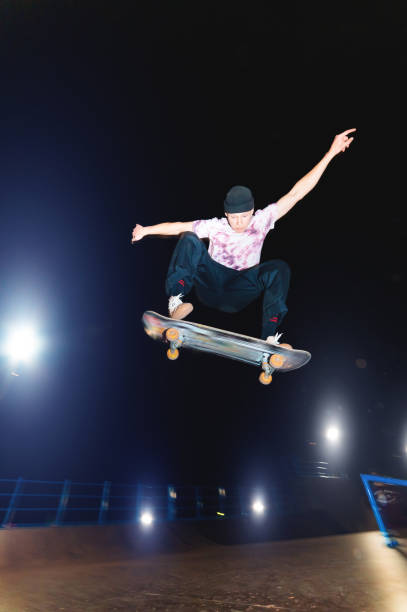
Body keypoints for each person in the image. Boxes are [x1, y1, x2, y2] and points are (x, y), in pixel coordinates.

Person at [132, 129, 356, 346]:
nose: (239, 223)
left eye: (245, 217)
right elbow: (178, 226)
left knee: (279, 268)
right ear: (226, 214)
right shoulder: (216, 226)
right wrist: (146, 230)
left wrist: (331, 153)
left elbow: (297, 193)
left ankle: (269, 337)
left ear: (252, 211)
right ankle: (176, 301)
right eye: (233, 218)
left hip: (241, 288)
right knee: (190, 237)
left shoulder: (263, 219)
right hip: (211, 282)